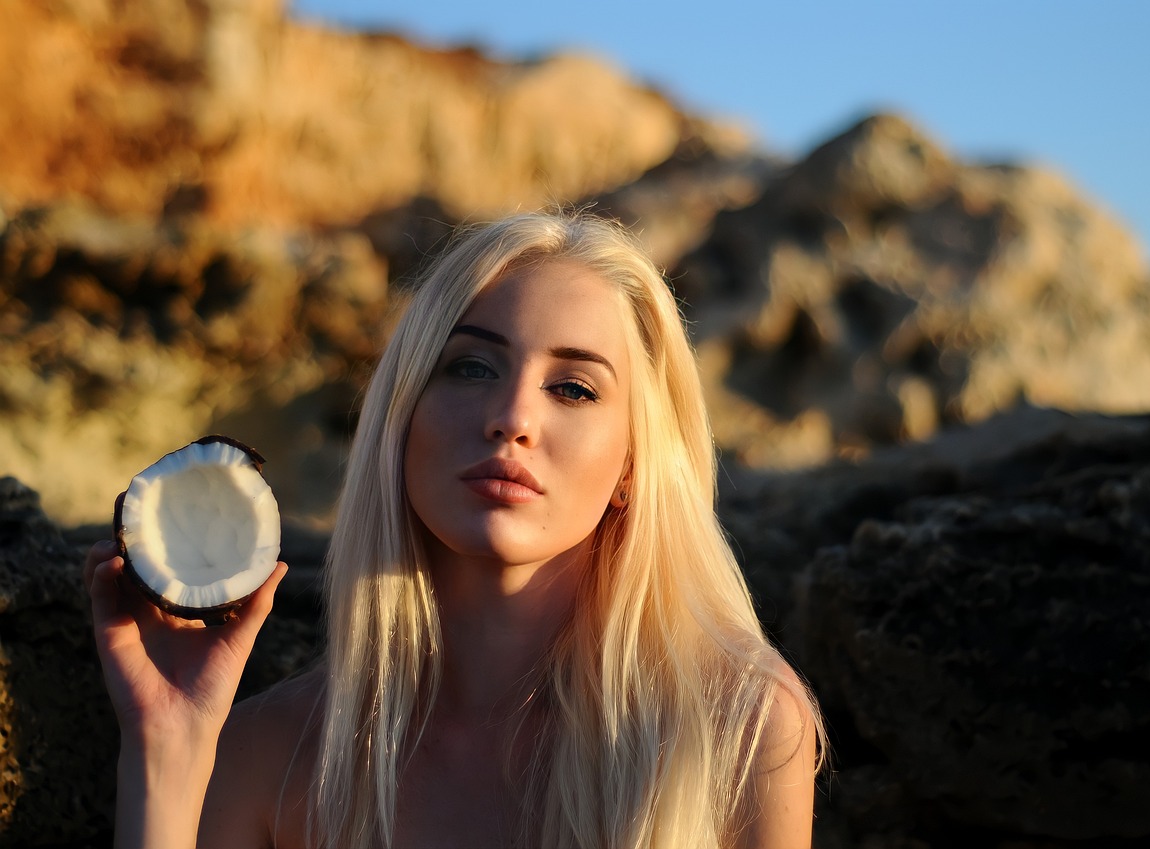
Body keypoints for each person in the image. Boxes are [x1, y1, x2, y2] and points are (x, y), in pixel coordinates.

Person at [86, 211, 825, 849]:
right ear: (401, 414)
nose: (512, 416)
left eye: (573, 387)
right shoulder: (271, 753)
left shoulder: (736, 728)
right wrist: (167, 747)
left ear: (633, 461)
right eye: (469, 367)